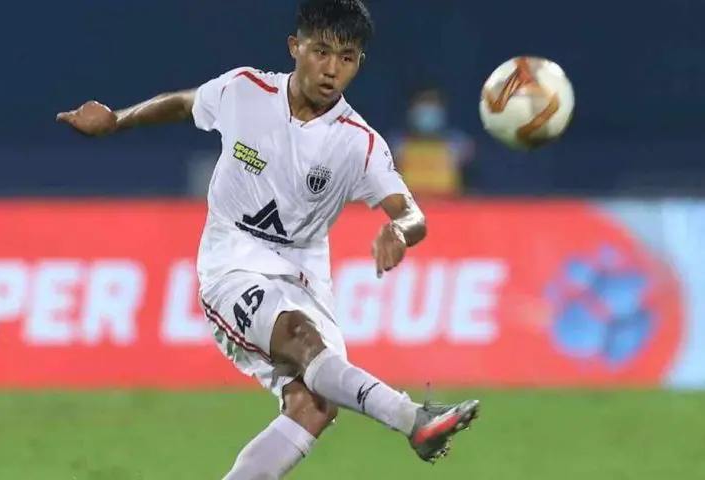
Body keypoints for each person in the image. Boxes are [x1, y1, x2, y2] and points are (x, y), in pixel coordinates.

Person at [57, 0, 479, 477]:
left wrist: (398, 231)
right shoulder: (245, 90)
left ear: (359, 64)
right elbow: (184, 103)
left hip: (304, 276)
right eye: (321, 52)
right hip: (231, 263)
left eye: (346, 58)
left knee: (313, 406)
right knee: (302, 339)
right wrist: (117, 119)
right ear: (294, 47)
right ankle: (413, 420)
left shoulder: (358, 142)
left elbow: (411, 213)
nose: (331, 70)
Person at [390, 85, 475, 197]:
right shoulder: (396, 145)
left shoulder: (460, 144)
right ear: (412, 110)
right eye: (423, 102)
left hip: (449, 209)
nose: (428, 109)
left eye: (433, 103)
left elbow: (469, 186)